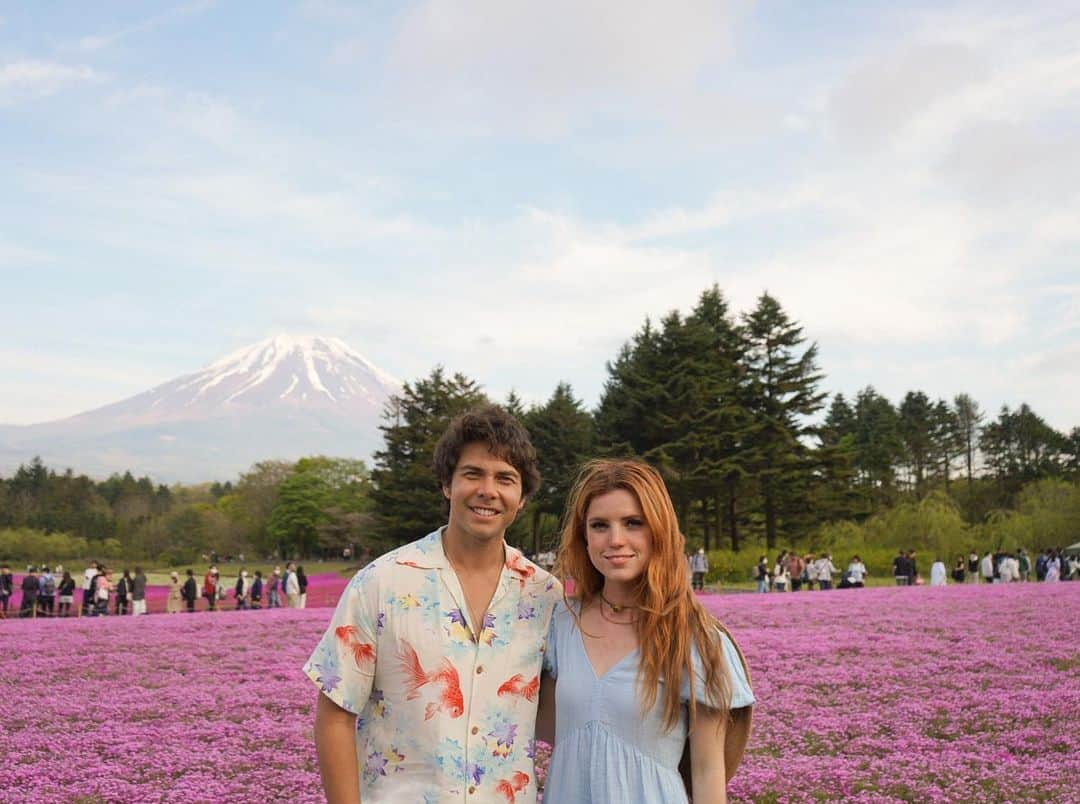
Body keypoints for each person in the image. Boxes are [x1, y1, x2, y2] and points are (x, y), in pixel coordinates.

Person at [306, 404, 560, 803]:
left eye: (505, 479)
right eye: (472, 474)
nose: (487, 491)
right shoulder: (381, 582)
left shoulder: (546, 595)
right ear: (447, 484)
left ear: (522, 497)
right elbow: (335, 715)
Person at [538, 459, 754, 803]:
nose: (615, 540)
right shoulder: (558, 627)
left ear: (659, 531)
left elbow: (708, 772)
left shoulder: (696, 639)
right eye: (599, 525)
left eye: (633, 523)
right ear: (584, 537)